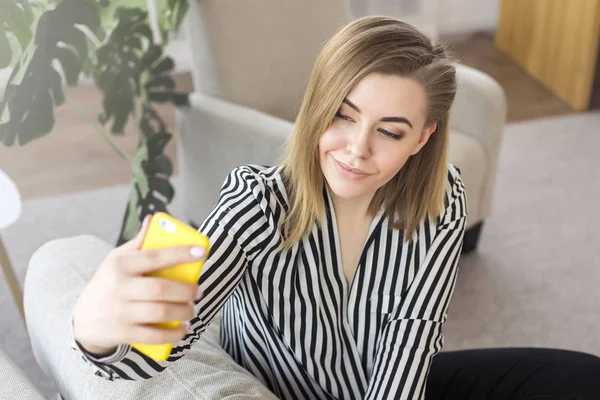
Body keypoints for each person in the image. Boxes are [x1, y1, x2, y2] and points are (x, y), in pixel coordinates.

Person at [71, 15, 600, 400]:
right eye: (342, 116)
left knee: (581, 377)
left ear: (422, 139)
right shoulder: (256, 203)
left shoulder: (442, 199)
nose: (356, 148)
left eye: (390, 132)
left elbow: (411, 341)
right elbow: (145, 358)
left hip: (388, 386)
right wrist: (94, 324)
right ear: (317, 105)